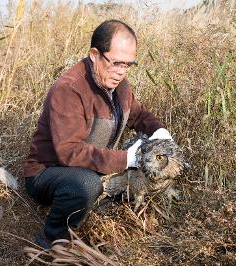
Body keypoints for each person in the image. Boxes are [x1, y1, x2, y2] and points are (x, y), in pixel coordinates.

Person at [23, 19, 172, 249]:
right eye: (116, 63)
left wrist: (161, 134)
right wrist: (126, 159)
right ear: (94, 54)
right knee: (86, 185)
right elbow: (69, 153)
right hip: (48, 173)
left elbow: (139, 116)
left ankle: (94, 205)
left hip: (87, 166)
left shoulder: (120, 86)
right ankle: (50, 240)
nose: (121, 72)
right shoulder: (69, 89)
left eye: (128, 65)